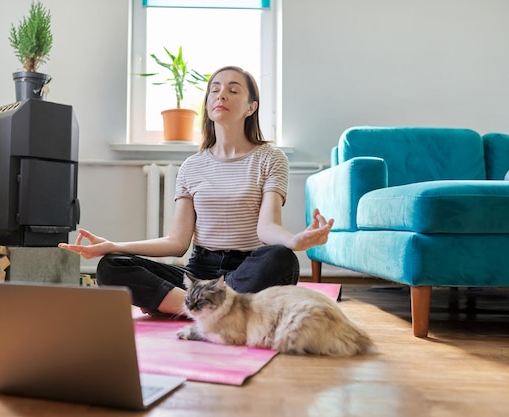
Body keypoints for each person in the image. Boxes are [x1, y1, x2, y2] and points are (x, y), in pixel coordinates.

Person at [59, 65, 334, 316]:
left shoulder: (271, 159)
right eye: (214, 89)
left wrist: (295, 241)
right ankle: (211, 308)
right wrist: (114, 246)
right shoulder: (192, 166)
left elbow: (267, 227)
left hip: (246, 269)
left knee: (282, 259)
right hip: (198, 273)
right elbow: (177, 242)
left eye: (232, 90)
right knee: (111, 266)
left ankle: (193, 307)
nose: (220, 95)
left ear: (251, 107)